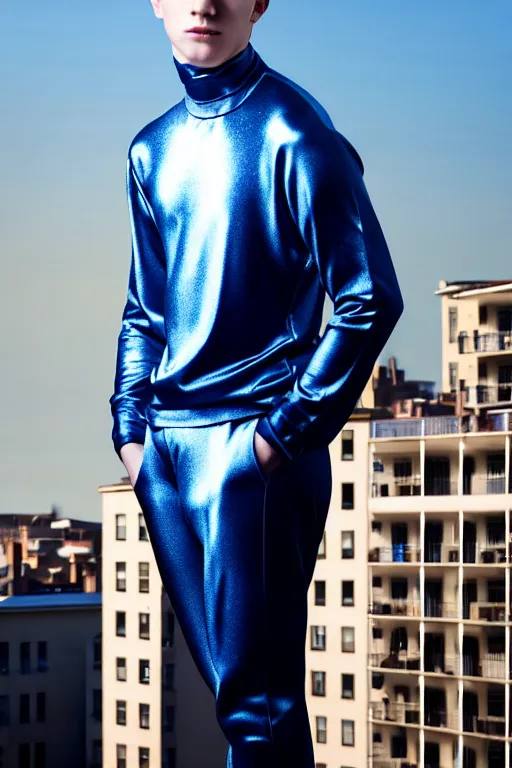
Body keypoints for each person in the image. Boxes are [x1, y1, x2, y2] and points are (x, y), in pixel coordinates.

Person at [109, 1, 404, 765]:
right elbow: (146, 311)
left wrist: (279, 438)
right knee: (236, 705)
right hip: (166, 458)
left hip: (253, 456)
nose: (205, 2)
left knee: (259, 716)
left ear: (261, 1)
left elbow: (371, 297)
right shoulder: (150, 151)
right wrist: (131, 436)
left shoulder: (295, 130)